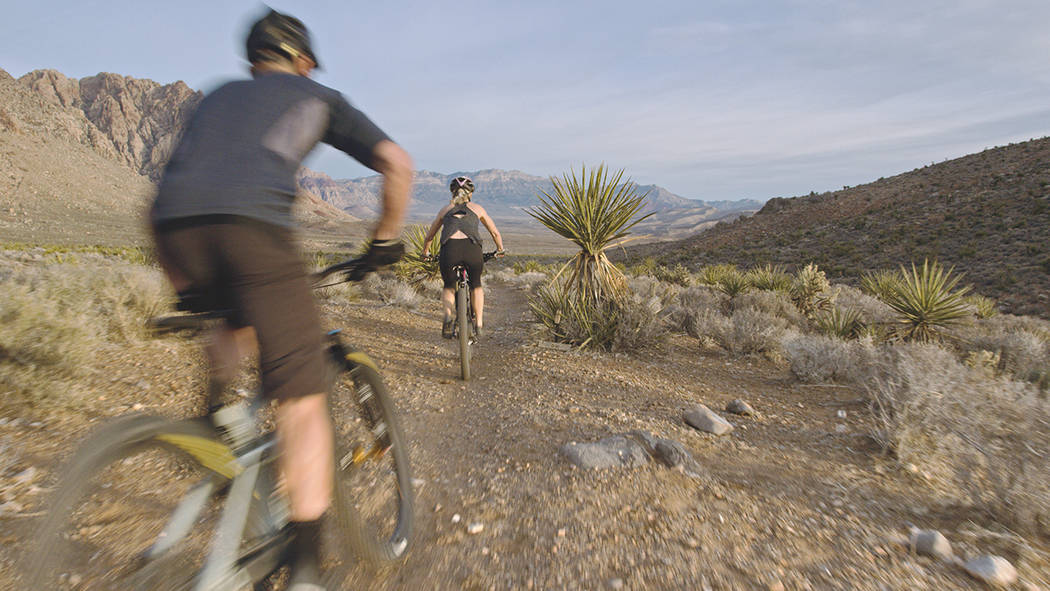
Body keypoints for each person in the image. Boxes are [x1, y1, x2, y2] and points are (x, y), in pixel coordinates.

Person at [149, 10, 412, 590]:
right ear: (304, 62)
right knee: (302, 402)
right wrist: (384, 242)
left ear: (252, 63)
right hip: (252, 232)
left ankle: (221, 423)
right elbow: (397, 163)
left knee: (232, 311)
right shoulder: (316, 94)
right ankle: (307, 573)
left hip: (169, 228)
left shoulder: (220, 96)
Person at [421, 176, 505, 338]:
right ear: (470, 193)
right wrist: (499, 249)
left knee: (448, 286)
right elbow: (495, 232)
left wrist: (425, 252)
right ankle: (479, 323)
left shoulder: (445, 210)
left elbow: (429, 236)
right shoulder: (477, 208)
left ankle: (447, 318)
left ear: (452, 192)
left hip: (449, 250)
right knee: (476, 285)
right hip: (472, 250)